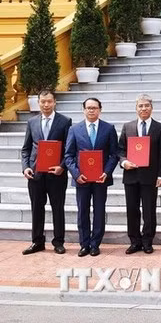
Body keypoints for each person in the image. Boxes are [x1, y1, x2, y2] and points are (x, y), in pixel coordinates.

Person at [64, 98, 118, 257]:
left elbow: (114, 154)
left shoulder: (109, 128)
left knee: (99, 211)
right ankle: (84, 244)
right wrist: (76, 173)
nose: (91, 110)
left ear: (100, 109)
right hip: (82, 178)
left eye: (94, 108)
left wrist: (106, 172)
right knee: (83, 212)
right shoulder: (74, 129)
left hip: (101, 178)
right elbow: (68, 155)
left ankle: (95, 244)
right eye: (88, 108)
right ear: (83, 110)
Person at [20, 90, 72, 255]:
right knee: (36, 208)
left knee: (58, 208)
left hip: (56, 174)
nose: (46, 105)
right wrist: (25, 167)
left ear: (54, 102)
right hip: (36, 174)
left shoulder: (65, 121)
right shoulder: (32, 122)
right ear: (38, 103)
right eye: (43, 102)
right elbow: (26, 149)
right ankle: (37, 242)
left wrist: (62, 166)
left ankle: (58, 242)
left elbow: (69, 149)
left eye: (49, 101)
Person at [118, 94, 161, 254]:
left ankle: (147, 241)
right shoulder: (128, 127)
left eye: (146, 105)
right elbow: (121, 150)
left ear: (151, 108)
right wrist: (124, 162)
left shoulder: (160, 128)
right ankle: (134, 241)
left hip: (150, 177)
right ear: (136, 108)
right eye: (140, 106)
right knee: (132, 210)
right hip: (131, 175)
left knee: (149, 211)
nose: (144, 108)